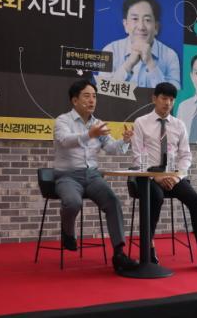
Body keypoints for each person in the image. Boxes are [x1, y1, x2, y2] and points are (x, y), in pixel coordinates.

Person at [53, 79, 138, 273]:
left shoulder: (98, 124)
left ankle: (119, 254)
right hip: (67, 176)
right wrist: (89, 134)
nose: (92, 100)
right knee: (73, 203)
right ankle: (68, 231)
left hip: (92, 176)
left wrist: (125, 141)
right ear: (75, 100)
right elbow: (65, 141)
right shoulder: (62, 121)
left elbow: (111, 148)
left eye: (94, 96)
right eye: (87, 96)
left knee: (113, 201)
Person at [131, 82, 197, 272]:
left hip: (173, 175)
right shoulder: (141, 123)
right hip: (148, 175)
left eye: (171, 100)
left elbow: (186, 156)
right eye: (164, 98)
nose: (168, 103)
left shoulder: (179, 125)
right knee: (155, 197)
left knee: (195, 199)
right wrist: (156, 177)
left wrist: (176, 178)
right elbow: (137, 156)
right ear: (154, 99)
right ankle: (149, 248)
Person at [97, 0, 181, 89]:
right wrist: (129, 64)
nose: (141, 27)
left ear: (156, 27)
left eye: (147, 20)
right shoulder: (110, 51)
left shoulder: (170, 56)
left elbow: (175, 95)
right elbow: (102, 92)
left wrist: (150, 63)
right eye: (135, 19)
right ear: (125, 25)